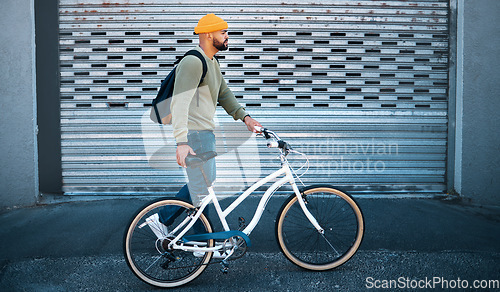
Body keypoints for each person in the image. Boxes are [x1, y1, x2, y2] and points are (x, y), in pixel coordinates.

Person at [144, 14, 262, 241]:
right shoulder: (193, 62)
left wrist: (246, 118)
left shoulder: (212, 62)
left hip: (204, 133)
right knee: (201, 190)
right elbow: (179, 103)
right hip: (194, 134)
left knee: (202, 188)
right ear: (209, 35)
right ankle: (196, 237)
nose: (227, 36)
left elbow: (224, 94)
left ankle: (172, 224)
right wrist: (181, 142)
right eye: (223, 32)